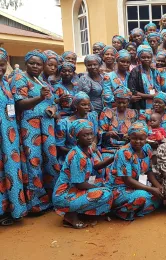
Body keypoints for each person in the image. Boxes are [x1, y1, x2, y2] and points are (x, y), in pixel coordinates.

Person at [12, 50, 60, 213]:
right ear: (26, 63)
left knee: (50, 159)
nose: (35, 66)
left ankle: (53, 197)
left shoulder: (40, 81)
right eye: (32, 63)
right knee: (34, 161)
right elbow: (19, 104)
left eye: (39, 64)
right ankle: (36, 203)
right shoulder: (20, 78)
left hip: (46, 125)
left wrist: (53, 108)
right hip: (30, 127)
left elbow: (51, 101)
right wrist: (39, 98)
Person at [53, 119, 113, 228]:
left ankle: (82, 212)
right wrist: (100, 188)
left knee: (107, 186)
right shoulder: (77, 156)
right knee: (105, 193)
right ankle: (70, 215)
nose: (90, 137)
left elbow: (96, 166)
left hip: (75, 189)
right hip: (64, 195)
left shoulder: (87, 149)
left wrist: (113, 158)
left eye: (91, 134)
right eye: (85, 135)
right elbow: (79, 184)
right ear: (77, 137)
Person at [109, 121, 163, 220]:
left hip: (137, 185)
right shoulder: (124, 152)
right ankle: (118, 210)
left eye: (141, 139)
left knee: (159, 197)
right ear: (129, 137)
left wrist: (158, 186)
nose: (138, 141)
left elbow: (148, 171)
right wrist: (151, 189)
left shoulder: (146, 148)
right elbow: (127, 180)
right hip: (121, 188)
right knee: (142, 196)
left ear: (146, 138)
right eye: (134, 138)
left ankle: (135, 209)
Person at [0, 48, 27, 225]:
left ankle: (10, 209)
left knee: (9, 171)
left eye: (1, 64)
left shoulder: (5, 83)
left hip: (9, 138)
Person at [56, 92, 98, 164]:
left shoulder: (92, 117)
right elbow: (60, 146)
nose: (87, 107)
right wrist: (77, 152)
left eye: (88, 104)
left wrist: (93, 144)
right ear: (76, 105)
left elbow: (95, 135)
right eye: (83, 104)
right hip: (71, 154)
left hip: (90, 153)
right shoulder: (64, 123)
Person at [98, 88, 139, 159]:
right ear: (115, 101)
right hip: (110, 149)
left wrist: (130, 136)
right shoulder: (107, 112)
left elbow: (138, 131)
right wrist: (108, 134)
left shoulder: (134, 113)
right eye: (119, 102)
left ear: (128, 102)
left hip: (129, 148)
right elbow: (100, 132)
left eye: (124, 103)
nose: (121, 105)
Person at [128, 45, 156, 110]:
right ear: (139, 58)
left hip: (154, 104)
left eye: (148, 57)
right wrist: (149, 96)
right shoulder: (135, 71)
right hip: (141, 105)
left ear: (151, 58)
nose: (146, 59)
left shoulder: (154, 71)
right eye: (143, 57)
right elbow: (133, 90)